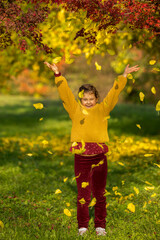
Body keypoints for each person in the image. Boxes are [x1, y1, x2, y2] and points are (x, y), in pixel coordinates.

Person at [44, 61, 139, 236]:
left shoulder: (103, 109)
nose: (88, 102)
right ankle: (82, 227)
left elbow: (114, 94)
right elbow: (65, 94)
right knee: (83, 195)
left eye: (91, 99)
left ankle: (100, 226)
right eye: (84, 99)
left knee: (100, 194)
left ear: (96, 99)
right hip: (81, 158)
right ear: (80, 99)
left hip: (100, 157)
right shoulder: (74, 109)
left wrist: (123, 77)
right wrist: (58, 75)